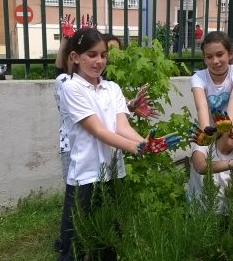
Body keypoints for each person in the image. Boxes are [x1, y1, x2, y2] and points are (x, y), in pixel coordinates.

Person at [56, 27, 180, 261]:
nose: (99, 61)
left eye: (103, 55)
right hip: (85, 174)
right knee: (74, 240)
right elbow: (99, 131)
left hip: (114, 172)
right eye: (91, 55)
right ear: (75, 57)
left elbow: (122, 127)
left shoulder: (111, 88)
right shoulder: (70, 87)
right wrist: (137, 148)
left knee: (111, 236)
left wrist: (147, 142)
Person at [187, 110, 233, 214]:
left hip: (222, 216)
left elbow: (230, 192)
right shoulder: (204, 145)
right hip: (195, 214)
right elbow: (201, 167)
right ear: (225, 125)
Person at [191, 31, 233, 135]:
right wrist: (206, 131)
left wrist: (227, 125)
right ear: (204, 59)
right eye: (209, 57)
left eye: (219, 54)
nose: (215, 61)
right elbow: (201, 106)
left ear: (230, 54)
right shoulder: (198, 77)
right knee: (199, 152)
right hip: (210, 130)